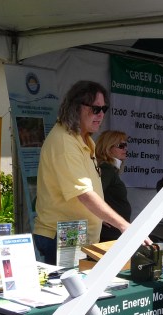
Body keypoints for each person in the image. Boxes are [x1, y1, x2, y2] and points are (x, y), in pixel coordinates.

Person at [33, 80, 134, 264]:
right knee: (65, 292)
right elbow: (84, 194)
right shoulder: (65, 141)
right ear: (76, 107)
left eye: (104, 109)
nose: (101, 115)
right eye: (96, 109)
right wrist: (123, 225)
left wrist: (101, 217)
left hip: (74, 235)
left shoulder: (84, 140)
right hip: (62, 236)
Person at [95, 130, 132, 242]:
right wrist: (99, 217)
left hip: (113, 232)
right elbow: (93, 195)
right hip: (109, 234)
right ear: (108, 148)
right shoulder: (106, 169)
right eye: (121, 145)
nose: (125, 149)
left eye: (126, 145)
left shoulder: (111, 169)